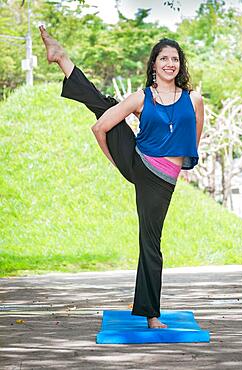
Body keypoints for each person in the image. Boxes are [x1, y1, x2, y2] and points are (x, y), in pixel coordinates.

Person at [39, 25, 204, 329]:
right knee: (106, 107)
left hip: (163, 177)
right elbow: (99, 128)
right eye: (164, 58)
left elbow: (193, 138)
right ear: (153, 64)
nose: (170, 63)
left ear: (180, 65)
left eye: (175, 59)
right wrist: (119, 163)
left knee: (150, 239)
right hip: (139, 163)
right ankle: (151, 314)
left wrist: (179, 166)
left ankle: (62, 58)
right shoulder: (141, 98)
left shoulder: (193, 100)